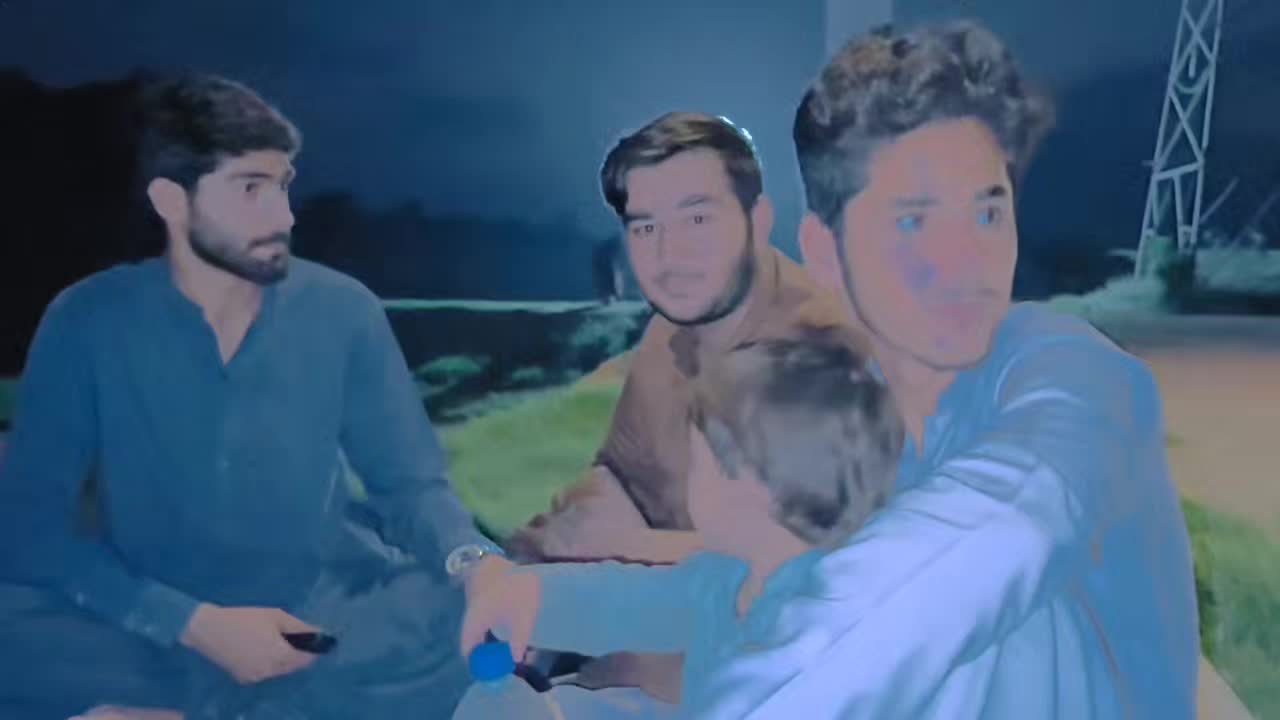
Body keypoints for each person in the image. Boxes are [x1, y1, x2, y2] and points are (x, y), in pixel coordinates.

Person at [675, 21, 1200, 719]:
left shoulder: (1072, 372)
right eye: (914, 222)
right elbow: (741, 570)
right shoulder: (851, 408)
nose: (967, 263)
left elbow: (1002, 527)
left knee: (991, 625)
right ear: (825, 253)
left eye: (987, 213)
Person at [0, 72, 513, 719]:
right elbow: (31, 528)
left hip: (313, 616)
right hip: (145, 616)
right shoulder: (86, 320)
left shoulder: (342, 310)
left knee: (464, 620)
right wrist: (194, 624)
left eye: (282, 185)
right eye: (251, 189)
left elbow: (410, 486)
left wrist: (477, 562)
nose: (283, 216)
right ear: (171, 201)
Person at [502, 111, 854, 700]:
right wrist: (557, 553)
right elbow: (617, 473)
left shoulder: (821, 356)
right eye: (645, 228)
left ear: (758, 220)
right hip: (614, 655)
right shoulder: (674, 330)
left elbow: (803, 573)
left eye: (697, 219)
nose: (669, 256)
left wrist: (626, 550)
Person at [462, 329, 904, 718]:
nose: (688, 476)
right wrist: (534, 596)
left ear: (747, 486)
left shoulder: (811, 628)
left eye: (698, 464)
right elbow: (631, 603)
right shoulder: (729, 577)